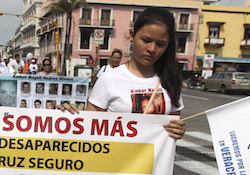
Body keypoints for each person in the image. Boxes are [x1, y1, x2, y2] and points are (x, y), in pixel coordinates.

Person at [63, 8, 186, 139]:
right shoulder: (109, 79)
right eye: (146, 40)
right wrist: (68, 115)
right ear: (132, 35)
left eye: (160, 44)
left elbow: (174, 122)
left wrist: (179, 129)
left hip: (156, 159)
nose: (152, 49)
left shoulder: (171, 80)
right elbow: (87, 127)